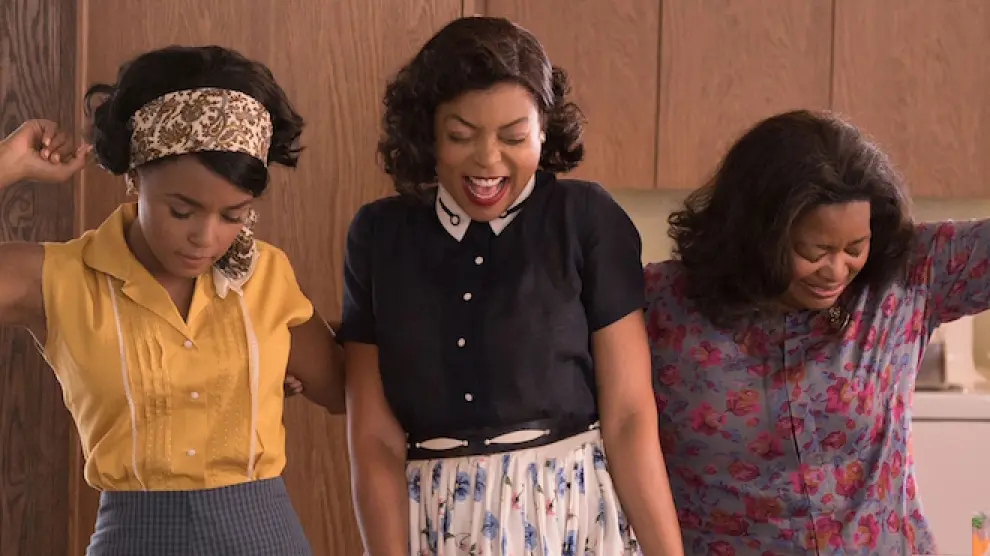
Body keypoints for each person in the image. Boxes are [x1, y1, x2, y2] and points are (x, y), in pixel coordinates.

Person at [337, 15, 684, 556]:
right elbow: (374, 438)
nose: (488, 159)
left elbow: (629, 418)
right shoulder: (378, 234)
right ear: (427, 133)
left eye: (514, 136)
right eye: (461, 135)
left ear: (544, 129)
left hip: (572, 514)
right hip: (435, 520)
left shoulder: (585, 218)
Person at [0, 45, 343, 555]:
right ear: (135, 176)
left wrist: (265, 368)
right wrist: (5, 164)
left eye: (234, 215)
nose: (206, 237)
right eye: (182, 211)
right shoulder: (57, 279)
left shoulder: (267, 274)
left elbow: (345, 390)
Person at [645, 109, 967, 555]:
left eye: (855, 247)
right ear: (757, 236)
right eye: (814, 251)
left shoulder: (908, 275)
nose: (836, 271)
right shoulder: (660, 305)